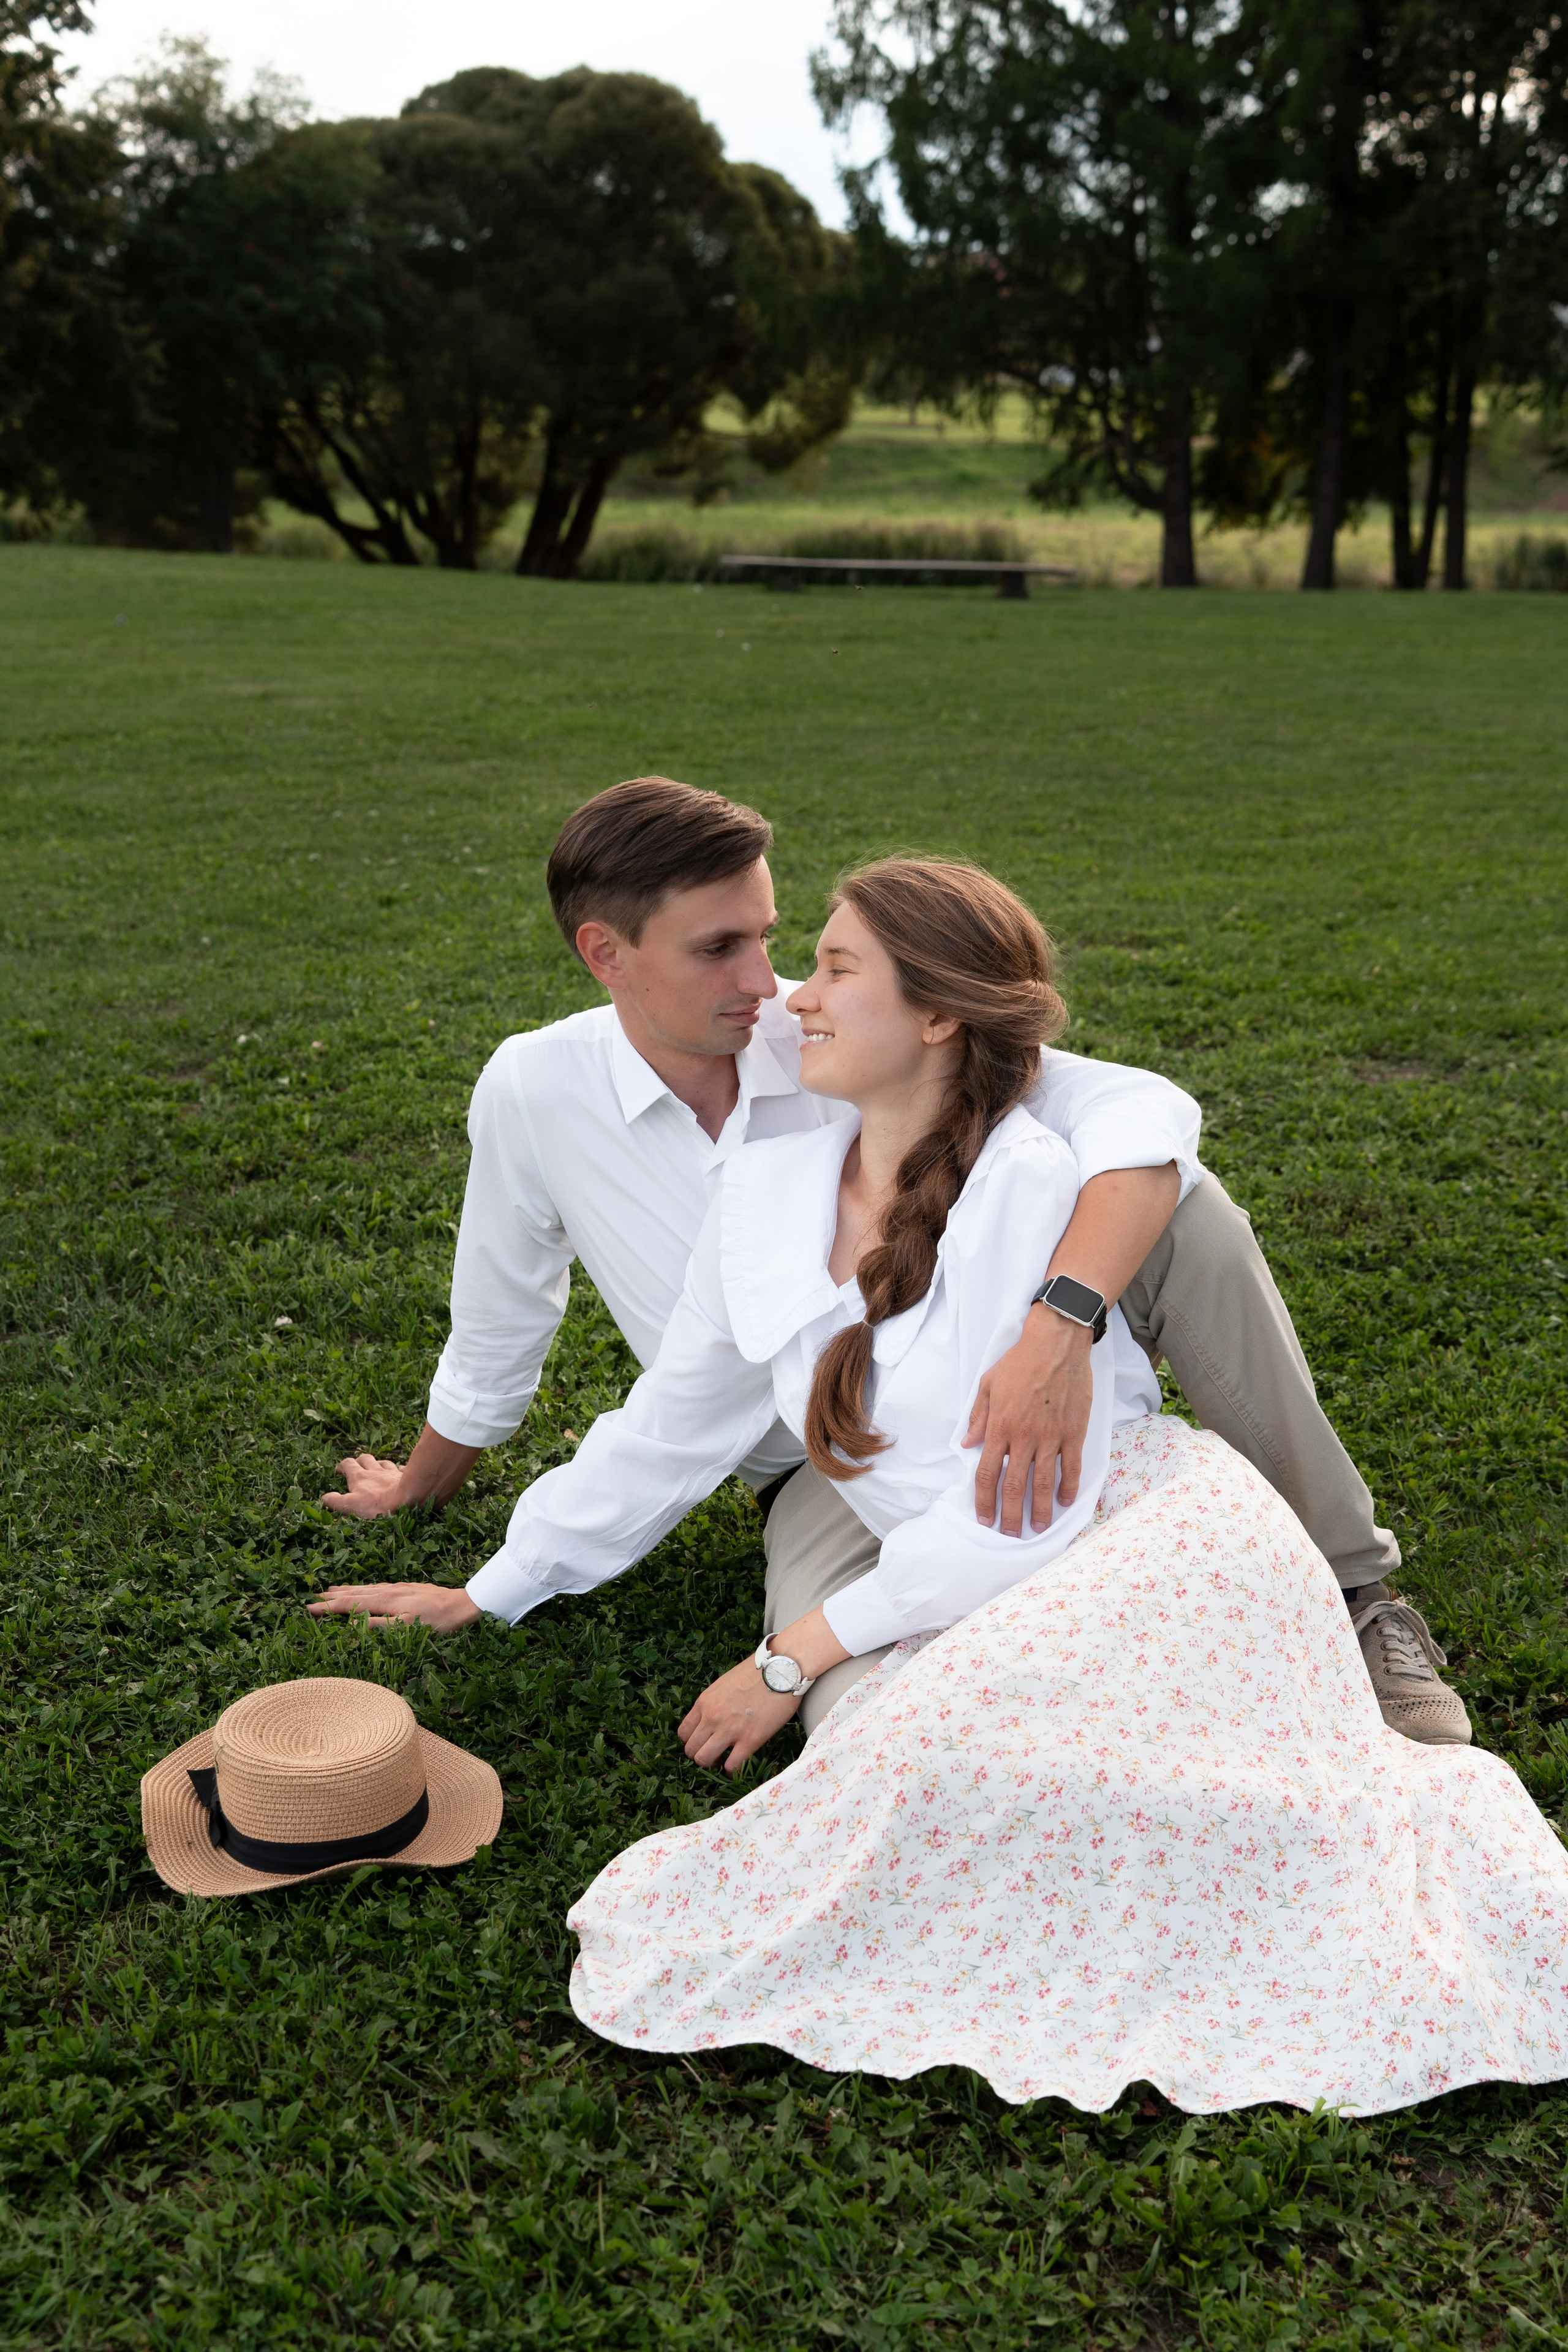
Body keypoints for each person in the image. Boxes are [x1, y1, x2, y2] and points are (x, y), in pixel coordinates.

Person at [310, 778, 1466, 1746]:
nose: (768, 983)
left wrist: (1056, 1327)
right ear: (605, 954)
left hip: (1002, 1414)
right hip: (815, 1461)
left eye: (774, 939)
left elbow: (1134, 1106)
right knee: (864, 1728)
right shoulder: (542, 1089)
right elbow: (551, 1337)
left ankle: (1354, 1587)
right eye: (722, 949)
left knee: (1186, 1210)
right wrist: (456, 1533)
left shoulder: (840, 1037)